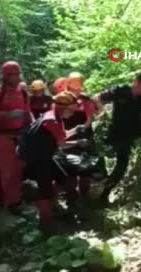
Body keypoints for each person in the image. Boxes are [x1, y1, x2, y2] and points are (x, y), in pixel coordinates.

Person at [17, 91, 89, 234]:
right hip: (37, 159)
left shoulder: (54, 115)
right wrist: (78, 143)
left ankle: (59, 208)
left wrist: (74, 131)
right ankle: (46, 224)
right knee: (45, 189)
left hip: (45, 156)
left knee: (65, 178)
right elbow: (62, 143)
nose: (74, 113)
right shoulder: (52, 120)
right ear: (64, 108)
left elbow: (59, 136)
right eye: (72, 109)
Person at [95, 70, 141, 207]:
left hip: (135, 127)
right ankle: (104, 195)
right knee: (121, 164)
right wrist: (101, 111)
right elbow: (97, 98)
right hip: (118, 132)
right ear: (135, 82)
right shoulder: (120, 90)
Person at [0, 61, 31, 212]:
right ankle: (11, 203)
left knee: (18, 169)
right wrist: (8, 115)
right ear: (6, 76)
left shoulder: (23, 91)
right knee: (6, 170)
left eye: (18, 74)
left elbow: (27, 112)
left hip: (19, 135)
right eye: (13, 75)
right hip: (2, 136)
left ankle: (13, 199)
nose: (17, 77)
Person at [62, 72, 101, 206]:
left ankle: (83, 196)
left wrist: (81, 130)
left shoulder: (86, 99)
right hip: (67, 137)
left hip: (83, 136)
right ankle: (72, 198)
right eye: (74, 87)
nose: (76, 90)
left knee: (85, 169)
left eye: (77, 87)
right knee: (70, 170)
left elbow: (89, 119)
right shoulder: (62, 98)